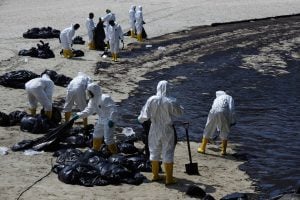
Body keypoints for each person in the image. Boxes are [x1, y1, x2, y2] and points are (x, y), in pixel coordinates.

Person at [138, 80, 184, 185]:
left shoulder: (151, 99)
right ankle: (169, 178)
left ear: (157, 88)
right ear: (168, 88)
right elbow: (180, 113)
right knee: (168, 152)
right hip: (167, 129)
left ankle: (155, 175)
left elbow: (144, 116)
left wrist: (140, 120)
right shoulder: (171, 101)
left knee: (154, 150)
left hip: (154, 128)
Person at [72, 83, 118, 154]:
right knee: (96, 134)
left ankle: (115, 153)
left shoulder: (105, 98)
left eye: (89, 92)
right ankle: (95, 150)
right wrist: (79, 115)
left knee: (108, 139)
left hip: (109, 120)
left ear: (93, 92)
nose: (88, 94)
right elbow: (88, 111)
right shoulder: (92, 101)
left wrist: (112, 119)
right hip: (101, 119)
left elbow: (113, 109)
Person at [197, 90, 236, 155]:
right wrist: (232, 120)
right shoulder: (229, 97)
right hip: (224, 111)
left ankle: (202, 148)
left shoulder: (216, 99)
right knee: (224, 129)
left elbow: (215, 109)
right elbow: (231, 109)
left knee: (208, 127)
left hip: (213, 111)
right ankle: (223, 151)